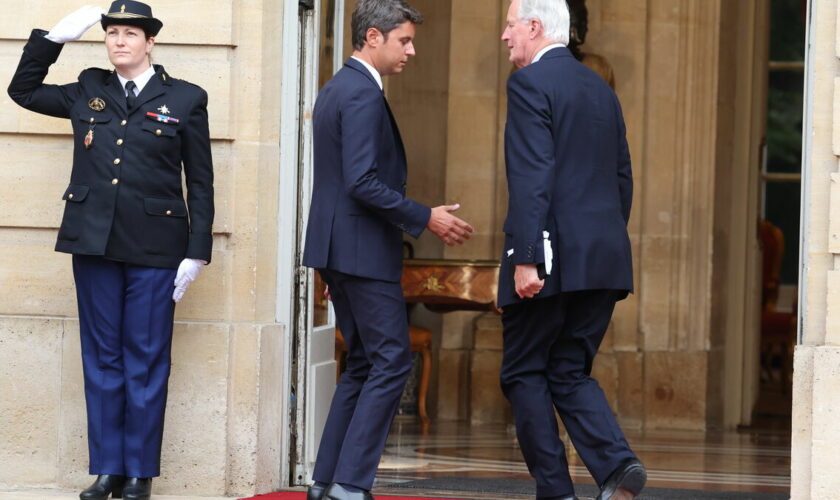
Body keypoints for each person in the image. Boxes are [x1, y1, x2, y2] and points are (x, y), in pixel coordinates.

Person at [8, 2, 214, 499]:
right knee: (102, 358)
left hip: (155, 248)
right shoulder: (88, 88)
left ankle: (140, 472)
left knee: (145, 358)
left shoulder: (184, 98)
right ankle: (108, 470)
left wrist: (197, 250)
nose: (119, 41)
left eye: (130, 33)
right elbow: (23, 91)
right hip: (93, 242)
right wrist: (53, 40)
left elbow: (201, 181)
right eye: (112, 33)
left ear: (150, 42)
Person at [302, 1, 474, 499]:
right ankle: (350, 485)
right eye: (404, 40)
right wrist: (427, 216)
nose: (412, 50)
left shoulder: (340, 87)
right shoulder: (361, 94)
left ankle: (327, 480)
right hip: (360, 250)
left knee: (363, 362)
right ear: (372, 37)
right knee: (392, 361)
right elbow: (360, 182)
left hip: (343, 249)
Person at [498, 1, 645, 499]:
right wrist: (598, 243)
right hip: (603, 258)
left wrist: (526, 258)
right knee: (567, 370)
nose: (504, 36)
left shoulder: (529, 85)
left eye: (510, 25)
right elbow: (623, 178)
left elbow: (531, 175)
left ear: (535, 28)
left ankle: (556, 492)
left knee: (522, 370)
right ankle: (619, 466)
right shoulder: (601, 91)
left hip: (549, 259)